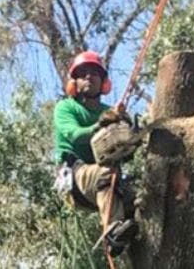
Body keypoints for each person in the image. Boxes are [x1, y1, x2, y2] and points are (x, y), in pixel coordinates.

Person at [53, 50, 138, 257]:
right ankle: (112, 234)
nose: (89, 77)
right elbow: (74, 135)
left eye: (95, 73)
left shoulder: (108, 111)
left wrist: (128, 131)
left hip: (104, 180)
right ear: (75, 82)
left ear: (103, 82)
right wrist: (100, 125)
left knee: (139, 199)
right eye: (83, 74)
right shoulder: (66, 107)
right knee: (105, 173)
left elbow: (124, 154)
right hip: (74, 175)